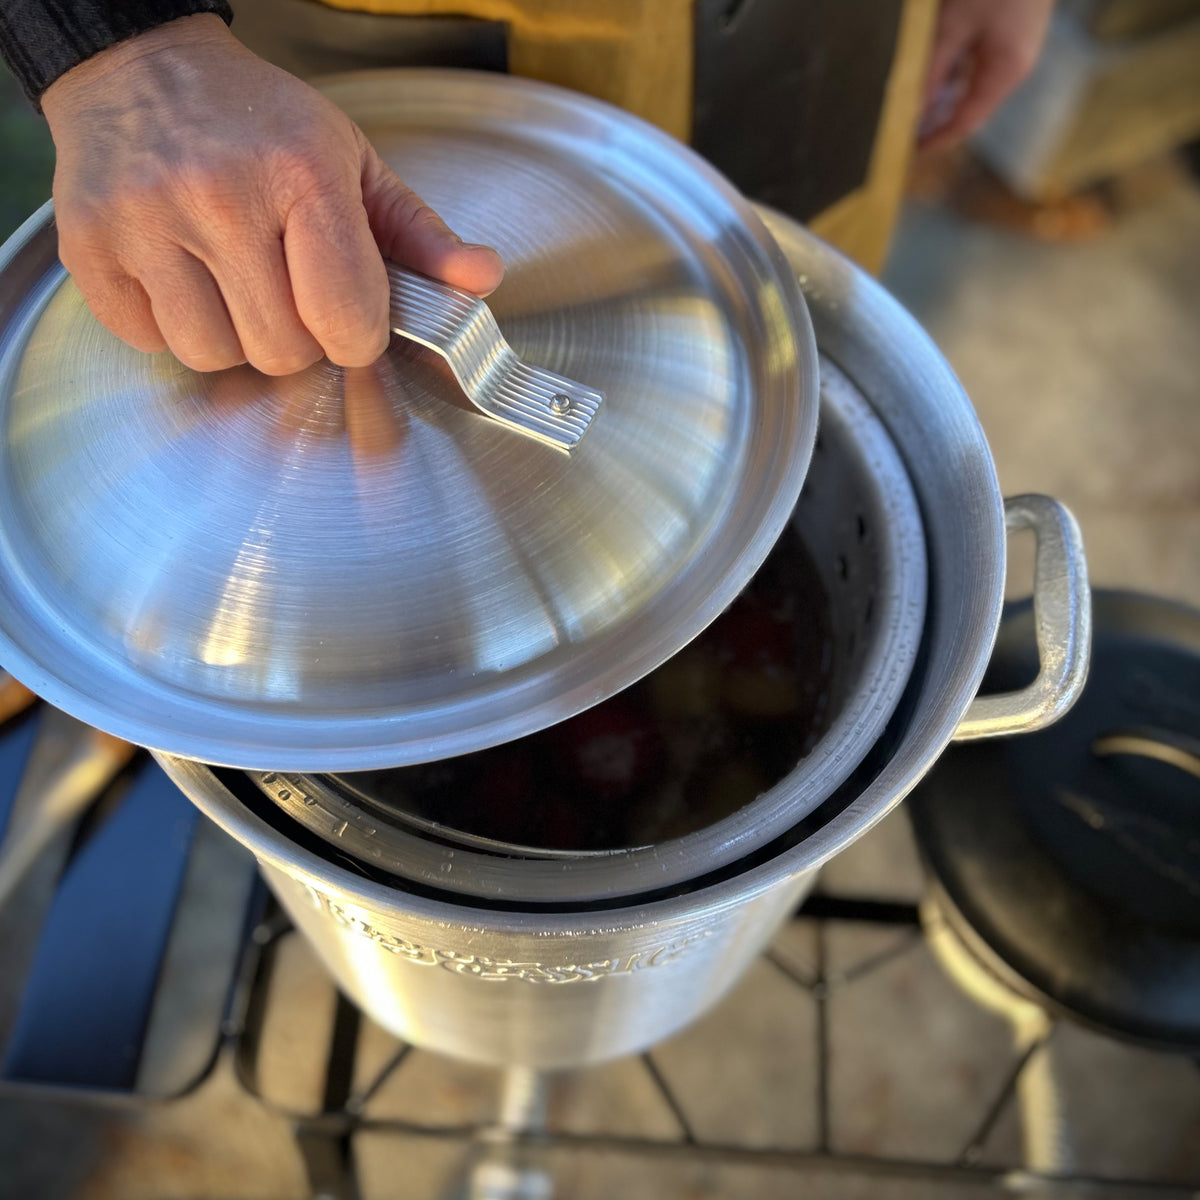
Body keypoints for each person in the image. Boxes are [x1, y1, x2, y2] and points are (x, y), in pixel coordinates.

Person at [0, 0, 1053, 377]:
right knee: (305, 359)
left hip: (829, 37)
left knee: (790, 350)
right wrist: (120, 48)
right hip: (389, 56)